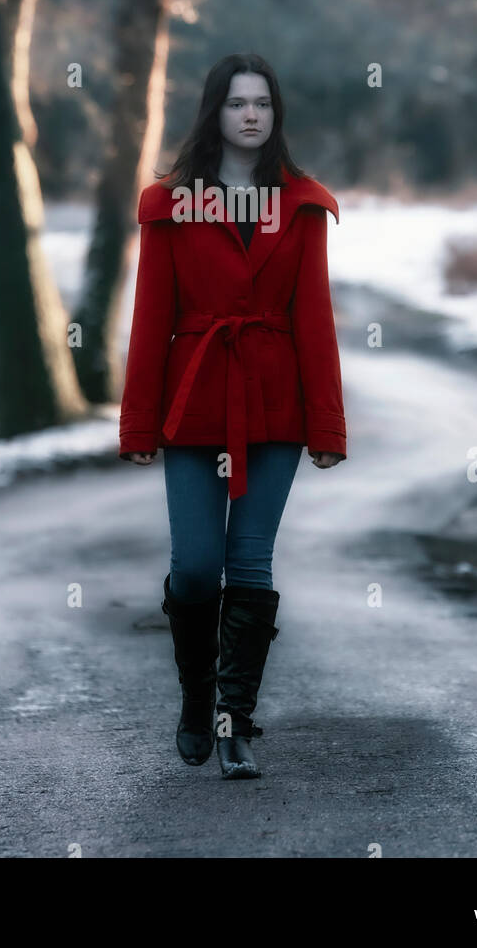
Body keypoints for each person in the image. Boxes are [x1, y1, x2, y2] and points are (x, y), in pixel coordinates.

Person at [119, 53, 347, 779]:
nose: (251, 114)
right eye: (236, 103)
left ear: (275, 115)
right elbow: (152, 318)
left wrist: (327, 426)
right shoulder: (172, 203)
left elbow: (315, 319)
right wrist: (138, 423)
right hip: (194, 403)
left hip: (275, 405)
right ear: (213, 112)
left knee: (249, 562)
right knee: (195, 570)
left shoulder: (303, 203)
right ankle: (195, 698)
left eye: (263, 103)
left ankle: (233, 721)